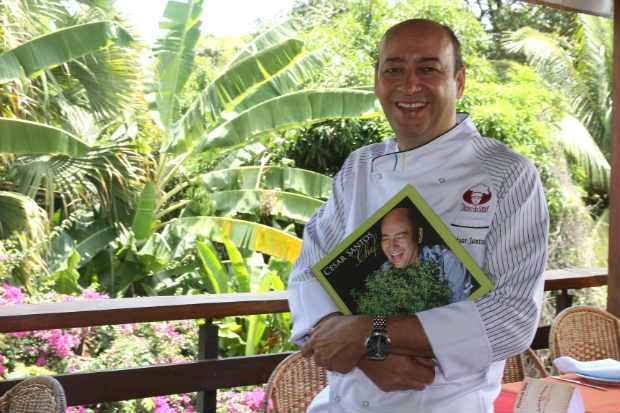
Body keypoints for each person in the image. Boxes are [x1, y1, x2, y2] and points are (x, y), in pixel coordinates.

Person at [287, 18, 549, 413]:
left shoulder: (507, 174)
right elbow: (308, 272)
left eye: (428, 68)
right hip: (343, 401)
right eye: (394, 69)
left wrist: (370, 332)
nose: (409, 85)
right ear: (377, 80)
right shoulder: (359, 167)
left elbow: (511, 317)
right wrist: (366, 352)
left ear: (459, 81)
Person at [379, 207, 470, 303]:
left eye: (400, 236)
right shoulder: (384, 273)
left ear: (419, 235)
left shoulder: (447, 263)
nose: (392, 246)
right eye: (385, 239)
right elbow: (379, 314)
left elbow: (461, 311)